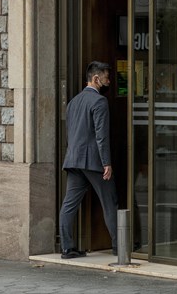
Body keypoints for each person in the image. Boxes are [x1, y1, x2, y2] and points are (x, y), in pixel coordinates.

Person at [59, 61, 118, 259]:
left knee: (69, 204)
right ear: (95, 79)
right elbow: (102, 136)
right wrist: (106, 163)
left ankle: (67, 248)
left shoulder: (73, 102)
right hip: (93, 161)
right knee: (110, 202)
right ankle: (120, 247)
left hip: (74, 159)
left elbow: (71, 133)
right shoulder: (99, 102)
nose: (108, 81)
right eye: (106, 78)